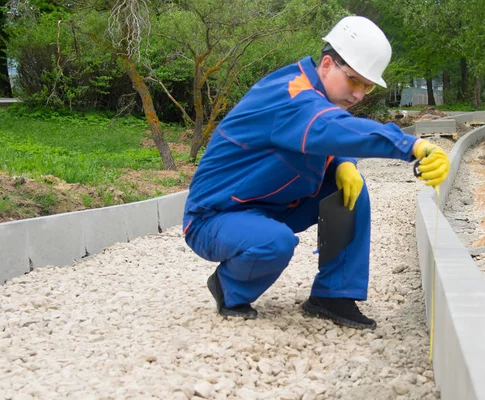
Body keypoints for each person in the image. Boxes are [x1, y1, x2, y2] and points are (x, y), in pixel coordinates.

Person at [183, 16, 450, 330]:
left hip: (268, 205)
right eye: (354, 81)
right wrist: (412, 146)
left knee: (350, 187)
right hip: (215, 217)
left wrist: (344, 162)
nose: (360, 94)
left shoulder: (314, 93)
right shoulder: (289, 93)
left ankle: (333, 294)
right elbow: (327, 125)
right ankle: (229, 289)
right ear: (327, 64)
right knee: (274, 242)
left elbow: (330, 127)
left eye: (367, 86)